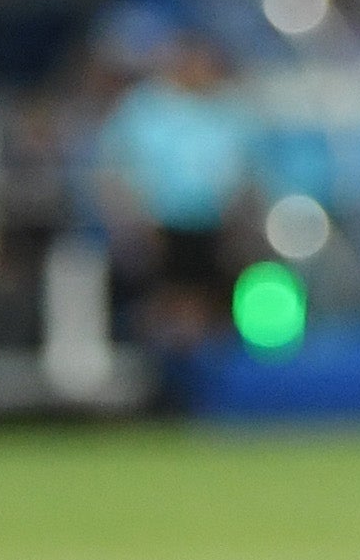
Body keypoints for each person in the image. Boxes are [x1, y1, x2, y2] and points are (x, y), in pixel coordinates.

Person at [91, 25, 260, 350]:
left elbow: (246, 174)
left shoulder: (231, 111)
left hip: (214, 228)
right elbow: (115, 171)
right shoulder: (142, 109)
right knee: (160, 291)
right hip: (156, 227)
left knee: (216, 287)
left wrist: (237, 220)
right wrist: (132, 221)